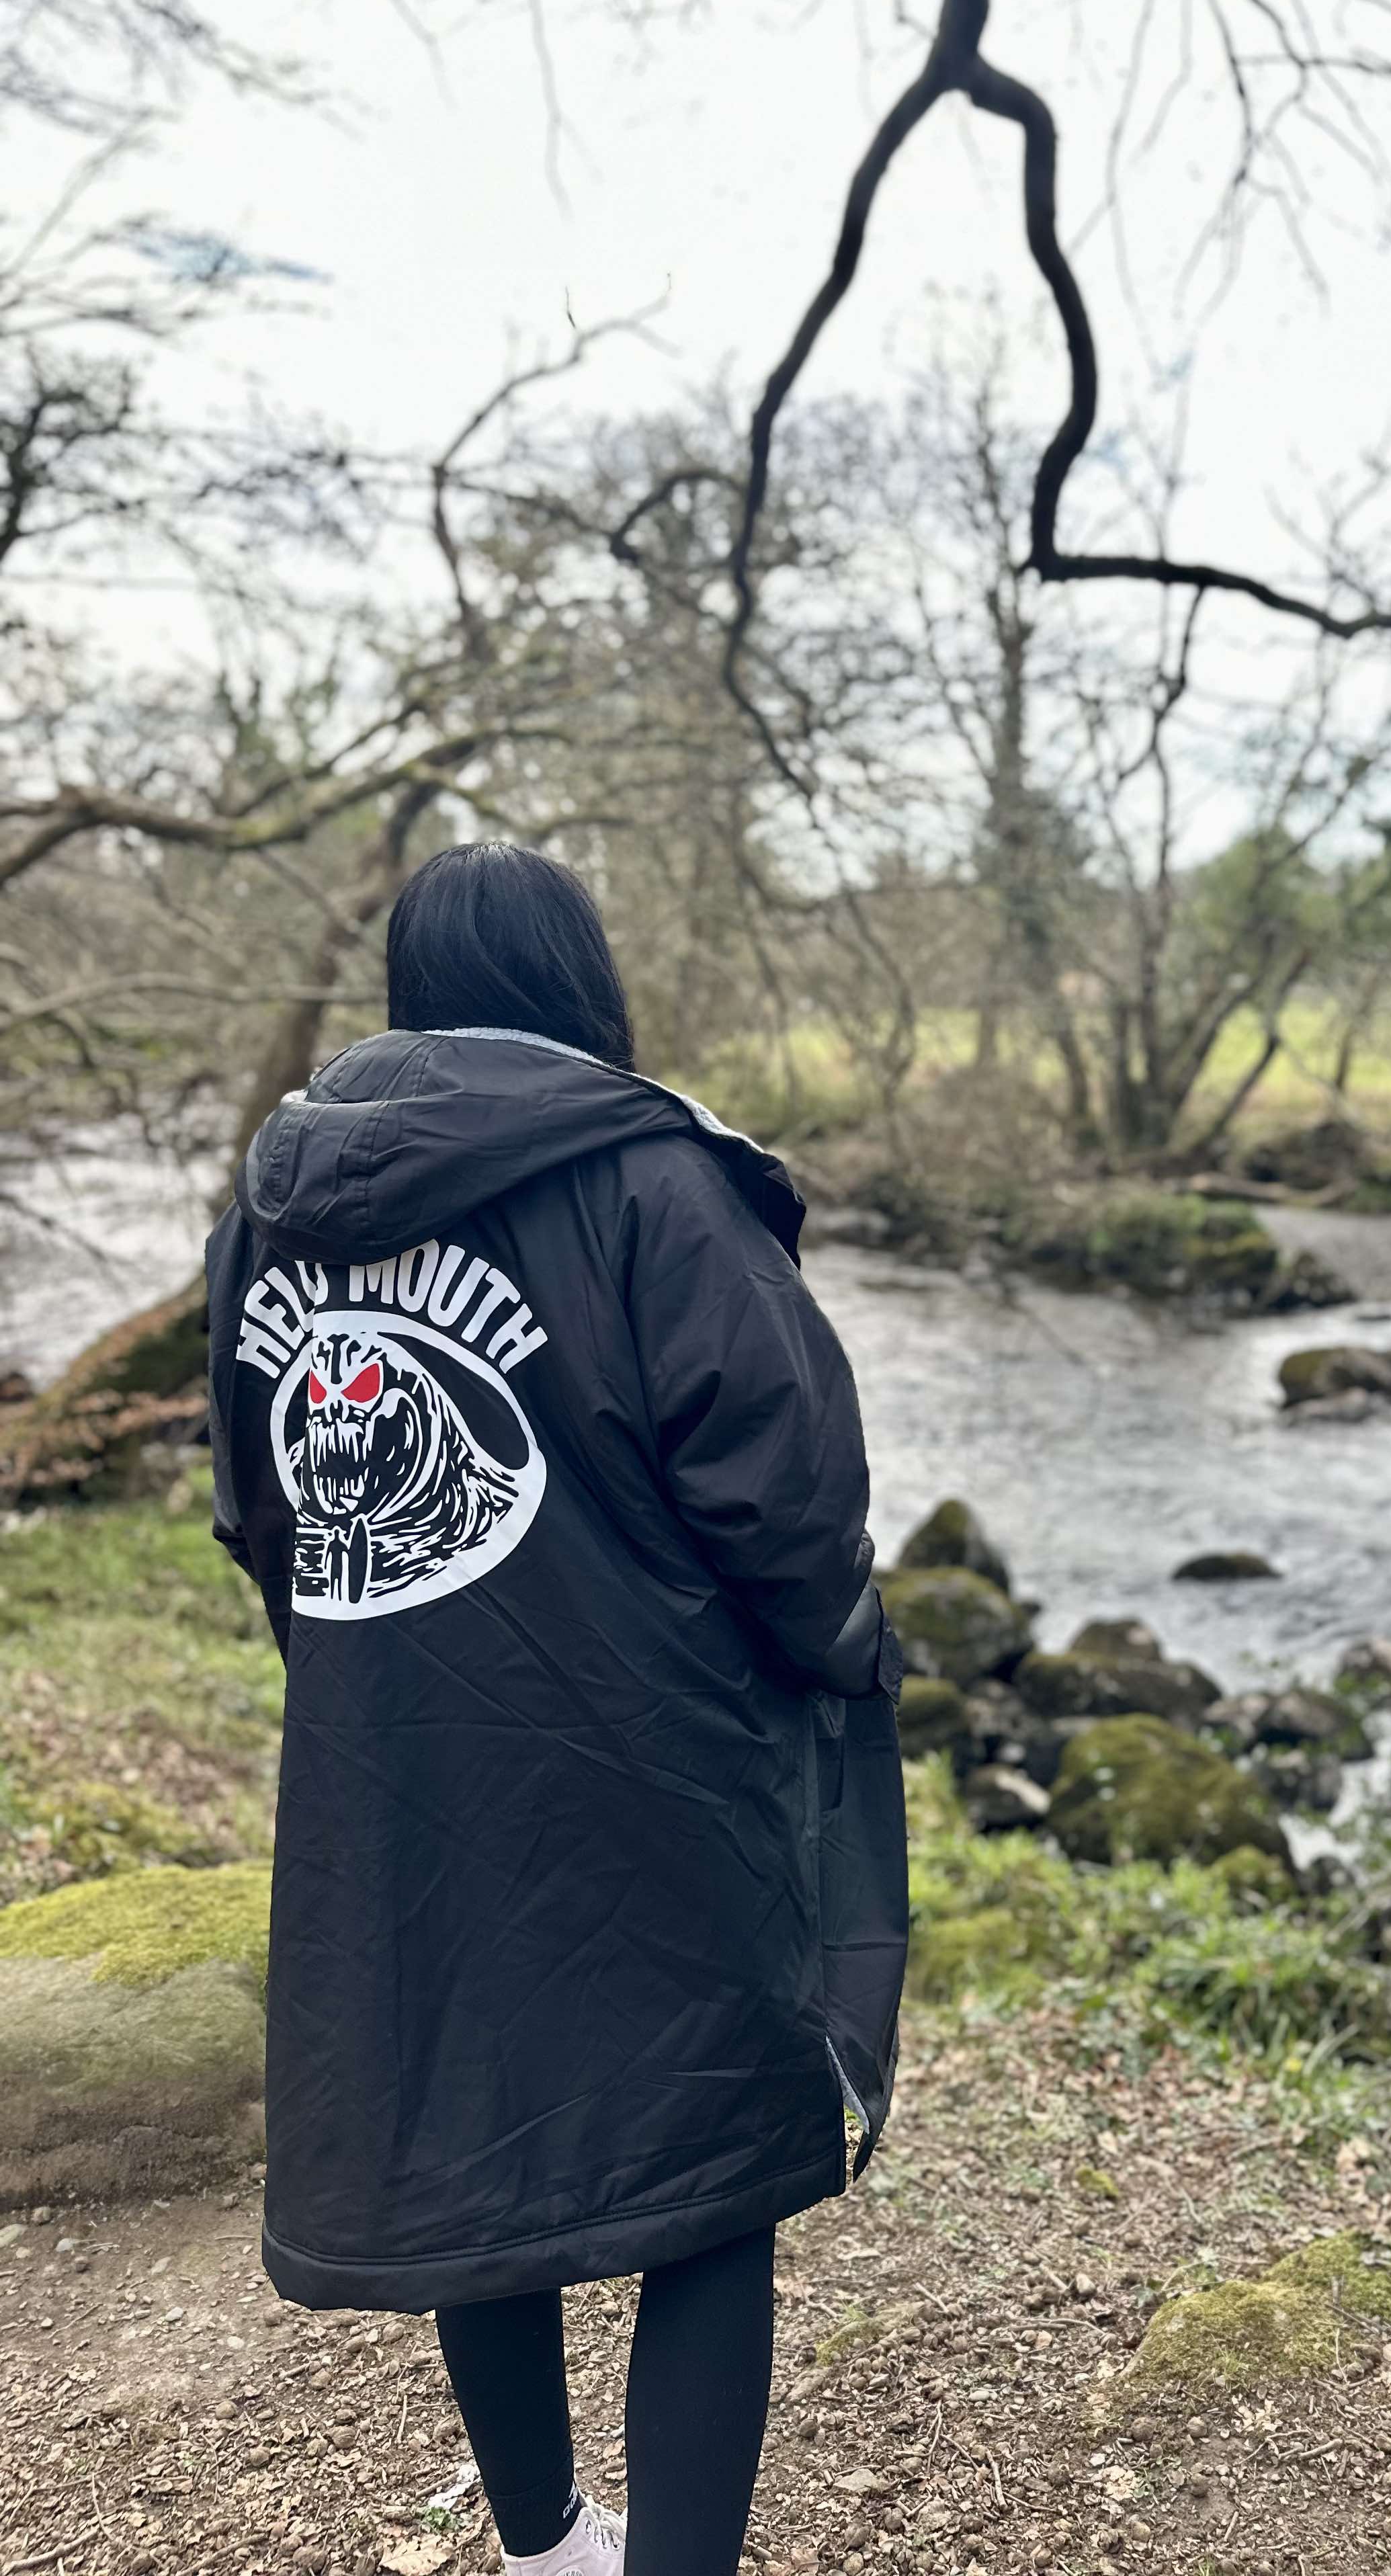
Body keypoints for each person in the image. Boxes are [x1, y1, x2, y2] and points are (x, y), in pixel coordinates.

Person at [206, 841, 908, 2576]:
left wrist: (374, 1675)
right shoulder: (654, 1184)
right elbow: (787, 1490)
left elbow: (260, 1504)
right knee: (715, 2168)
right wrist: (835, 1656)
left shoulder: (269, 1210)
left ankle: (545, 2546)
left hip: (397, 1766)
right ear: (579, 987)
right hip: (649, 1757)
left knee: (473, 2128)